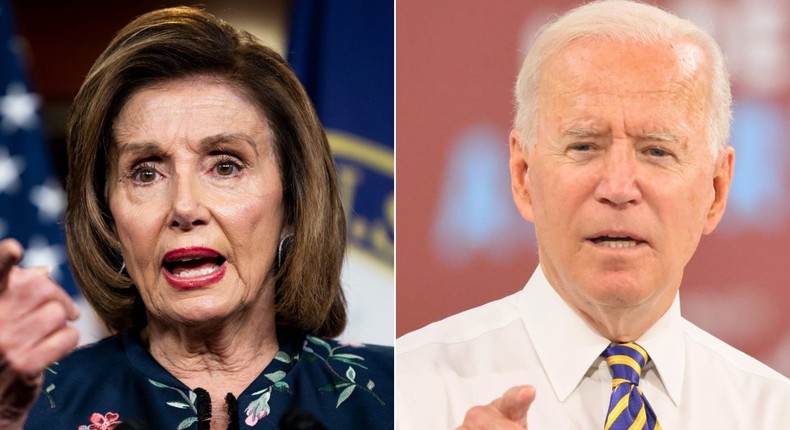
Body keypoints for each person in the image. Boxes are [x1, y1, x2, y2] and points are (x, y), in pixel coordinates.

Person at [396, 0, 790, 428]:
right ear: (522, 175)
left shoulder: (773, 413)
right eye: (584, 146)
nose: (619, 188)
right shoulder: (405, 392)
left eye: (657, 151)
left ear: (716, 190)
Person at [0, 6, 392, 429]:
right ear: (108, 217)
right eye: (146, 173)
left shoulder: (401, 394)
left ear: (294, 203)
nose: (184, 207)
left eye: (225, 166)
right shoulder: (30, 405)